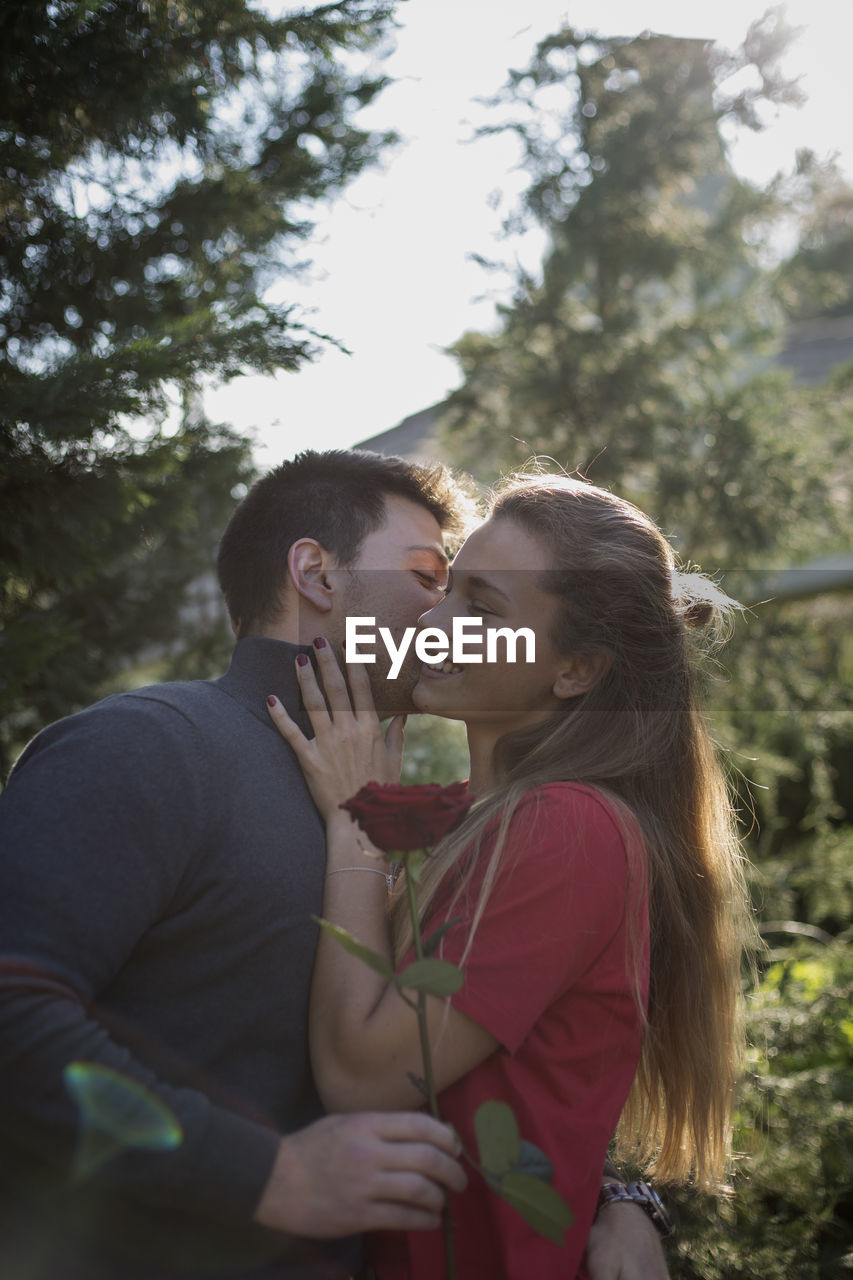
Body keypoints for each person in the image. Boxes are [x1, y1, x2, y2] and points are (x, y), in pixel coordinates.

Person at [0, 451, 666, 1279]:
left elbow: (494, 1058)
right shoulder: (149, 745)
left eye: (467, 596)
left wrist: (615, 1196)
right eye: (431, 578)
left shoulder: (406, 810)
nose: (438, 616)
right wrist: (269, 1174)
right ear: (315, 573)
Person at [266, 470, 751, 1279]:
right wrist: (619, 1198)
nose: (435, 618)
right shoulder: (462, 820)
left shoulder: (568, 830)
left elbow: (363, 1075)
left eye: (482, 609)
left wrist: (355, 816)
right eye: (447, 587)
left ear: (575, 670)